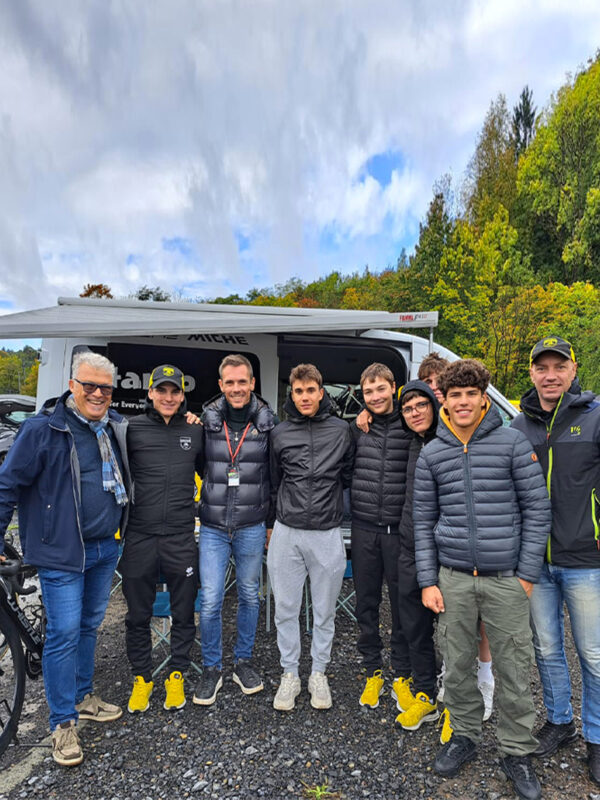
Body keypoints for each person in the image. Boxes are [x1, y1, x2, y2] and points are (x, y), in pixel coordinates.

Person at [413, 359, 551, 800]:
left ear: (484, 396)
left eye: (472, 393)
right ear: (445, 402)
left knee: (513, 667)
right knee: (456, 664)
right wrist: (428, 580)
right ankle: (466, 736)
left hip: (506, 578)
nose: (464, 401)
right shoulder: (433, 452)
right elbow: (423, 521)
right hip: (452, 578)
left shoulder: (511, 444)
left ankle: (517, 752)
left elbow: (536, 510)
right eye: (455, 395)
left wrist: (526, 573)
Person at [0, 352, 129, 766]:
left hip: (106, 546)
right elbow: (8, 485)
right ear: (73, 384)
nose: (96, 393)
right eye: (88, 385)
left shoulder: (113, 427)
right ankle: (61, 724)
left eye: (104, 388)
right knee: (64, 634)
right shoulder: (44, 428)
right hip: (61, 552)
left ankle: (82, 695)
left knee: (89, 626)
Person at [512, 336, 600, 785]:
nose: (550, 375)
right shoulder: (517, 425)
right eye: (541, 367)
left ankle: (597, 739)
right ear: (531, 373)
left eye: (558, 366)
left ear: (573, 368)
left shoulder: (595, 415)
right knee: (547, 650)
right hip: (535, 563)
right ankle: (561, 722)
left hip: (586, 556)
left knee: (593, 654)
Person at [268, 363, 354, 711]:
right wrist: (272, 524)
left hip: (327, 532)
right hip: (287, 531)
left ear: (322, 392)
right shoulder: (280, 433)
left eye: (311, 390)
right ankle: (290, 673)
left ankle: (318, 672)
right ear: (292, 393)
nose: (305, 397)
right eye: (298, 391)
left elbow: (346, 475)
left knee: (324, 610)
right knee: (286, 608)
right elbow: (274, 481)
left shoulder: (342, 431)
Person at [120, 364, 203, 714]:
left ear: (183, 395)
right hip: (139, 535)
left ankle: (176, 675)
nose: (168, 397)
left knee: (183, 613)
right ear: (150, 393)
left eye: (175, 391)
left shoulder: (195, 430)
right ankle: (142, 678)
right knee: (138, 614)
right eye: (161, 390)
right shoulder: (130, 429)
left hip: (181, 536)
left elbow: (210, 471)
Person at [194, 354, 275, 706]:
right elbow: (197, 464)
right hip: (212, 526)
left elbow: (274, 476)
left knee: (249, 595)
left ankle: (243, 661)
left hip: (251, 524)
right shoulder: (206, 423)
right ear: (221, 385)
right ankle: (212, 668)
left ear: (253, 384)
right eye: (230, 382)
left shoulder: (269, 423)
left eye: (243, 382)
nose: (237, 388)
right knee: (210, 600)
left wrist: (270, 523)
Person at [418, 352, 495, 720]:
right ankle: (451, 680)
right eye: (431, 385)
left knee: (479, 625)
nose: (435, 393)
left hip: (480, 553)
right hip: (442, 547)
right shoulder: (419, 431)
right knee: (448, 624)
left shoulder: (490, 436)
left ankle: (483, 681)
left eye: (438, 385)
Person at [349, 363, 412, 709]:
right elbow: (346, 471)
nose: (375, 396)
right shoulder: (358, 429)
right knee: (366, 603)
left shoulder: (411, 424)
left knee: (403, 605)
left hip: (399, 532)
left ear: (394, 388)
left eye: (380, 389)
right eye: (368, 391)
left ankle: (400, 673)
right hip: (364, 529)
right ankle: (373, 670)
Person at [392, 380, 442, 732]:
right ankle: (426, 695)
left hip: (447, 550)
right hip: (410, 545)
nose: (414, 413)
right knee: (414, 625)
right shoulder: (410, 442)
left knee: (456, 632)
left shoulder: (452, 439)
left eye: (420, 405)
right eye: (408, 408)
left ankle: (456, 704)